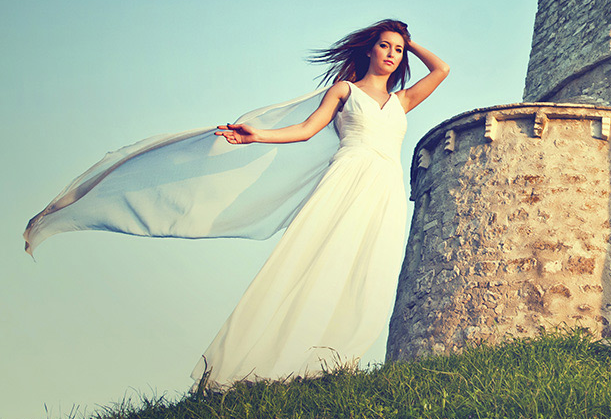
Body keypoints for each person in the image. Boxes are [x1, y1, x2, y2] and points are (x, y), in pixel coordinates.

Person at [24, 19, 448, 391]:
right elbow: (304, 130)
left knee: (370, 267)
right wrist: (257, 135)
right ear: (369, 49)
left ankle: (334, 361)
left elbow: (442, 69)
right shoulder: (345, 91)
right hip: (348, 176)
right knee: (321, 260)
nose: (391, 54)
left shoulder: (404, 100)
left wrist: (410, 42)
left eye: (397, 49)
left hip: (385, 186)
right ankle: (263, 360)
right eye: (385, 45)